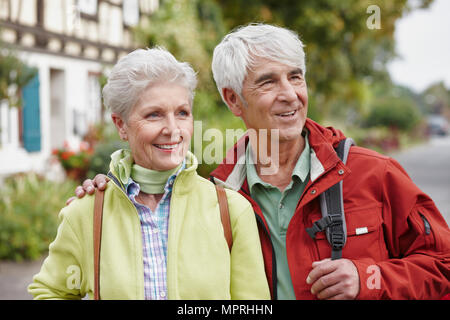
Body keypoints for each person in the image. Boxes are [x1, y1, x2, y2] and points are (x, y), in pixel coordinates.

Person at [72, 24, 450, 300]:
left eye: (296, 77)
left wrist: (369, 278)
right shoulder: (216, 194)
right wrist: (110, 196)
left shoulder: (373, 173)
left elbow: (443, 264)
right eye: (268, 82)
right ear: (233, 101)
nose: (290, 95)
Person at [28, 47, 270, 300]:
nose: (172, 129)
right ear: (121, 125)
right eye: (154, 114)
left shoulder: (231, 212)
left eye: (182, 113)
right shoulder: (86, 213)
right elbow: (50, 291)